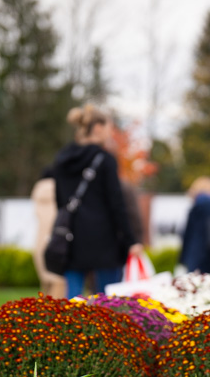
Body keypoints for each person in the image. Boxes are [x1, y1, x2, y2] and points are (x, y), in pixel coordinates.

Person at [41, 104, 141, 298]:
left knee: (74, 300)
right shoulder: (104, 159)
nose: (111, 133)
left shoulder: (61, 160)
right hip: (104, 241)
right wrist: (131, 240)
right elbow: (116, 204)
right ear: (97, 128)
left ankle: (72, 328)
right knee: (107, 301)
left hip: (71, 239)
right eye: (110, 128)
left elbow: (60, 201)